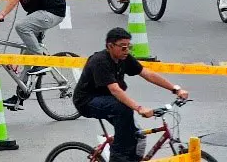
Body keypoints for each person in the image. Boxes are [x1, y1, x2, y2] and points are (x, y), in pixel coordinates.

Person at [72, 27, 189, 162]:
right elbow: (115, 90)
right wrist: (139, 108)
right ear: (110, 46)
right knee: (123, 110)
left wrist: (175, 89)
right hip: (87, 101)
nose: (126, 50)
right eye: (123, 47)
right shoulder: (100, 61)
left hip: (109, 100)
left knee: (137, 135)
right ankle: (118, 158)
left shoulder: (124, 58)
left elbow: (147, 74)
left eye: (129, 46)